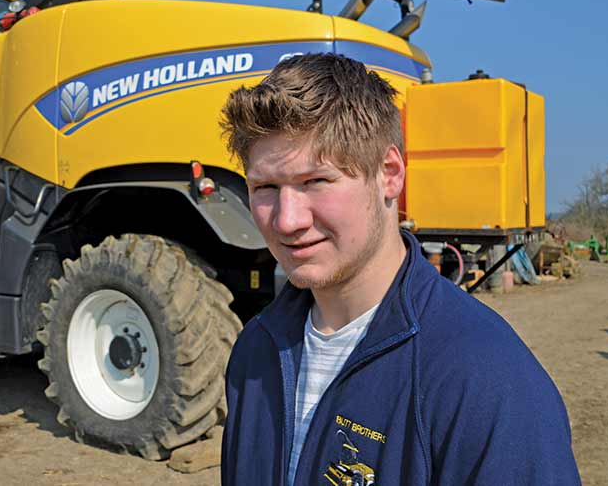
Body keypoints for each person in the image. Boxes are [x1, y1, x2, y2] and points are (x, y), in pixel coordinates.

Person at [218, 54, 579, 486]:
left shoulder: (486, 380)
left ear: (389, 173)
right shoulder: (254, 354)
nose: (286, 220)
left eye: (316, 181)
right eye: (265, 188)